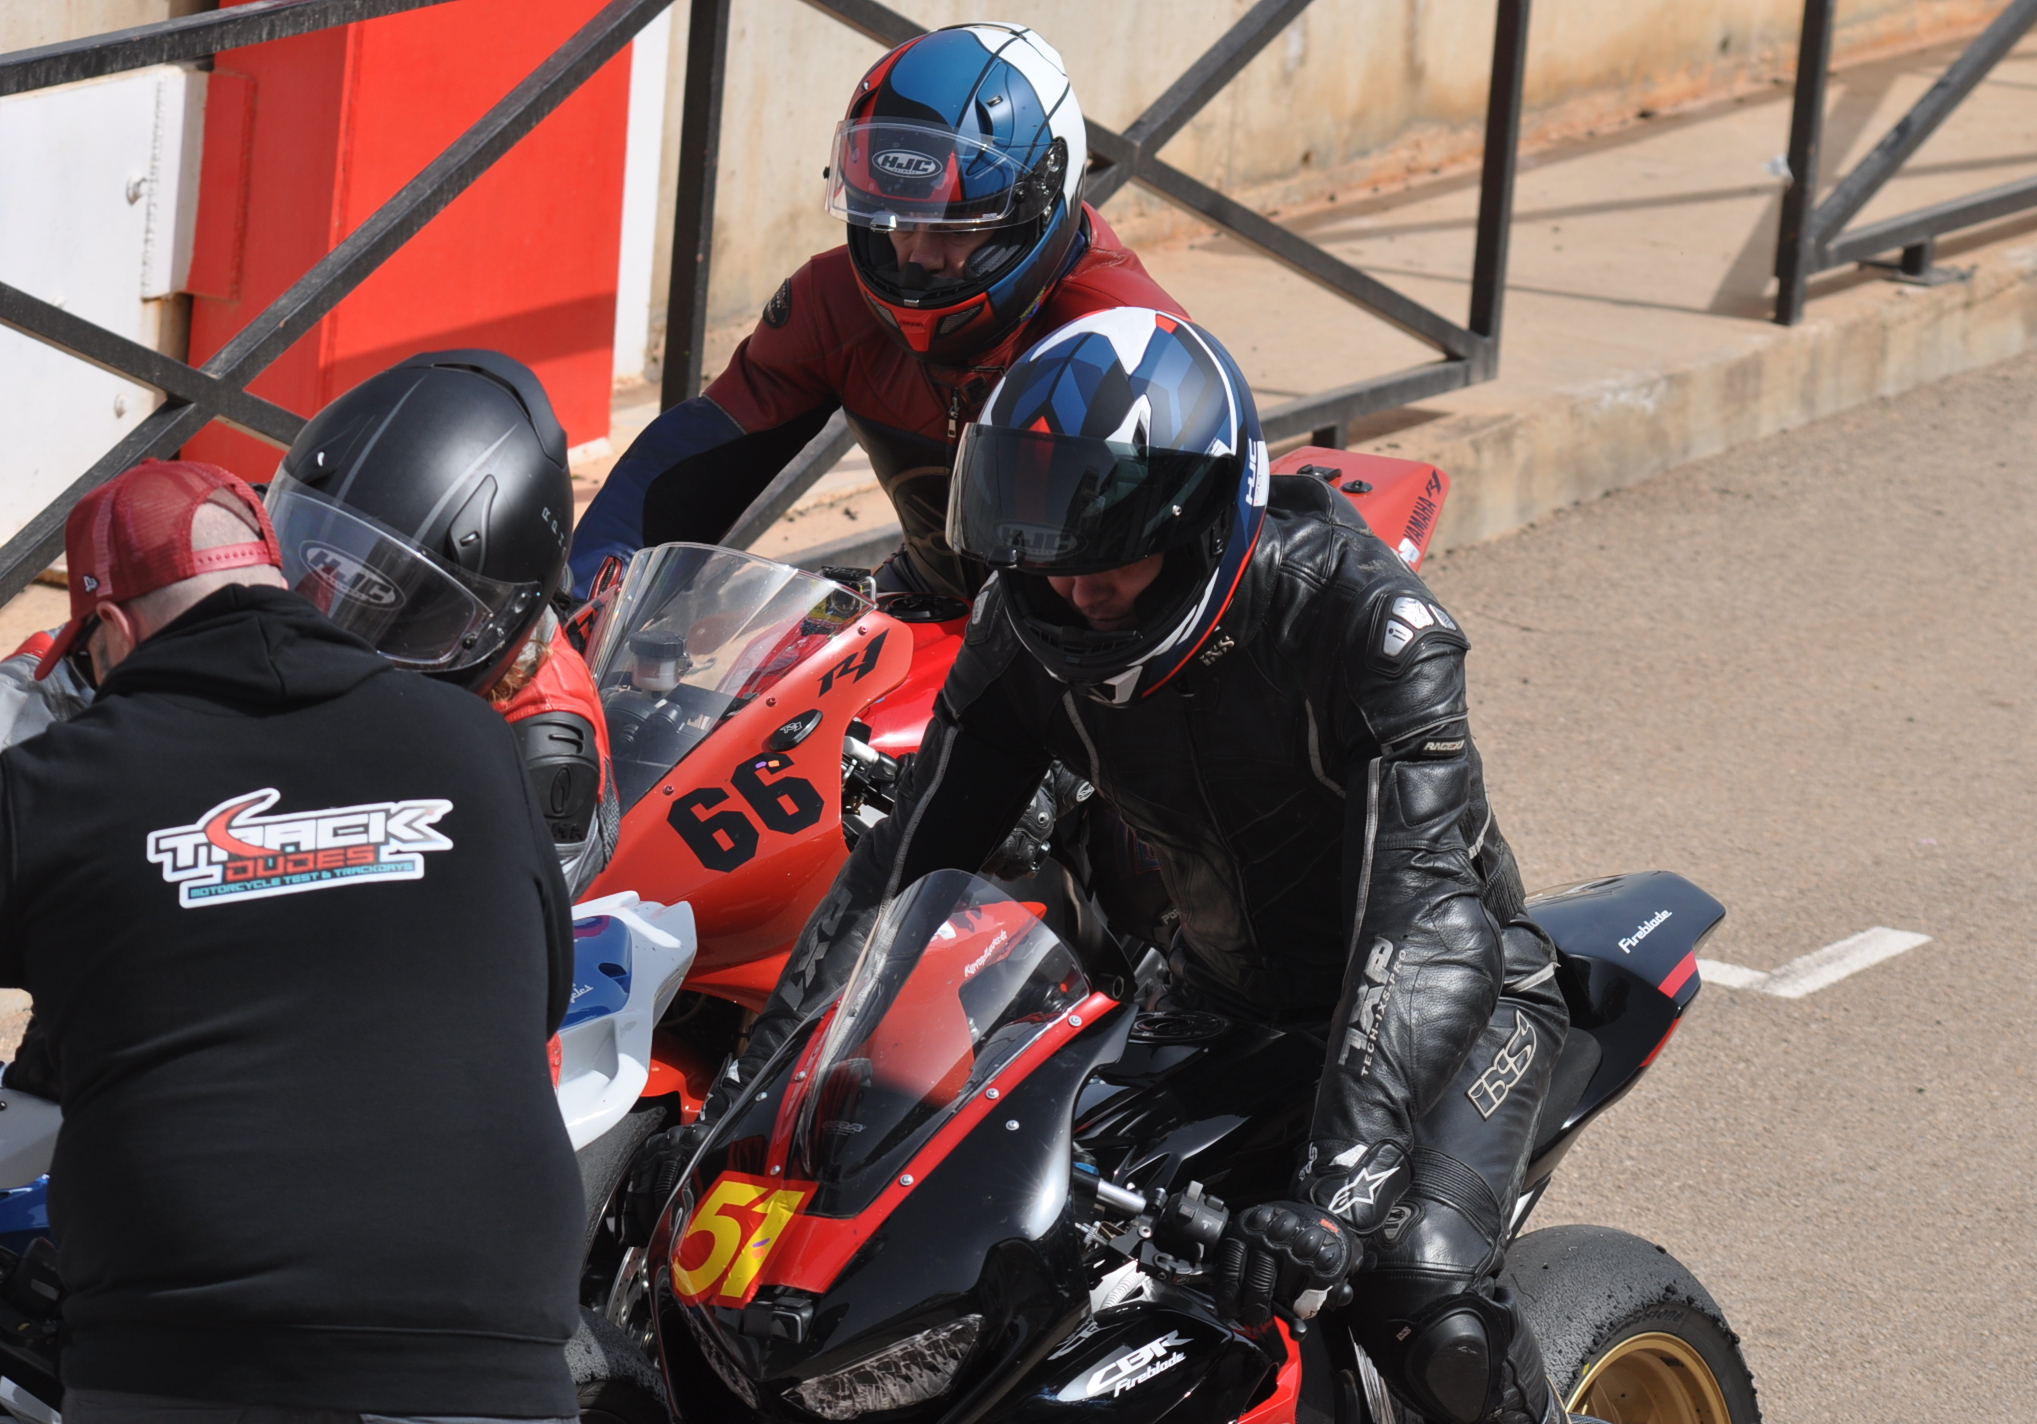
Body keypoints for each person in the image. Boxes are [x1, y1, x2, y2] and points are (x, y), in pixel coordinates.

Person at [727, 310, 1581, 1424]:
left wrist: (1336, 1195)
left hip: (1457, 1000)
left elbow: (1422, 919)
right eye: (1047, 557)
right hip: (1217, 996)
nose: (1076, 591)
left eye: (1109, 556)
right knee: (996, 1246)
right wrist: (749, 1099)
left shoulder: (1370, 629)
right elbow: (906, 864)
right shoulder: (1024, 629)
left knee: (1419, 1298)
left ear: (1200, 523)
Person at [0, 460, 584, 1422]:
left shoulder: (52, 786)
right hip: (491, 1356)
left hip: (191, 1356)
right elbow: (540, 996)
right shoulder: (474, 741)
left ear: (112, 631)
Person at [568, 22, 1187, 601]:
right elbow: (682, 473)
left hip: (1078, 637)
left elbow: (1187, 573)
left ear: (1037, 205)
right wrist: (575, 608)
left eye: (955, 227)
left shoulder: (1131, 341)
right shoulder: (831, 302)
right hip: (926, 593)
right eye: (895, 222)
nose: (916, 257)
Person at [265, 349, 618, 898]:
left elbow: (500, 928)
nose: (330, 616)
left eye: (391, 600)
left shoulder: (541, 741)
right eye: (324, 556)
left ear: (497, 619)